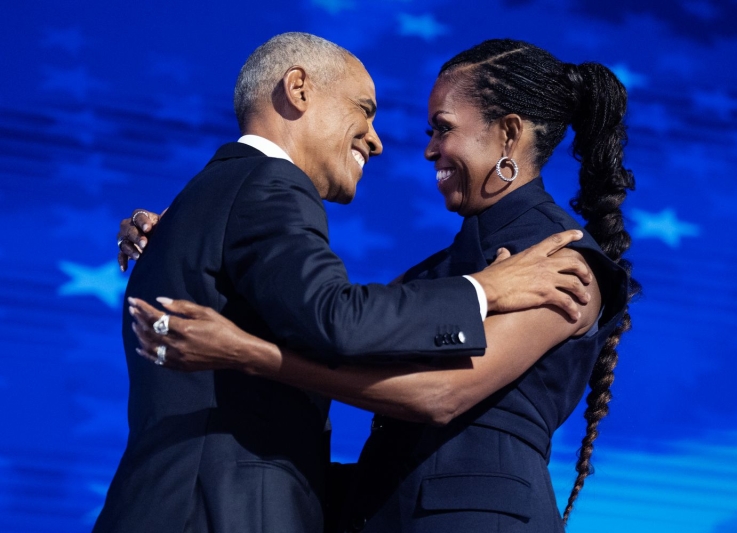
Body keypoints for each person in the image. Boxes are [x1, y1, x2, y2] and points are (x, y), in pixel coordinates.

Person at [125, 38, 637, 532]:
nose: (428, 150)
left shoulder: (560, 262)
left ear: (508, 134)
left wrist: (249, 354)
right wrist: (194, 234)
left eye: (442, 129)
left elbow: (440, 396)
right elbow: (335, 327)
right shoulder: (437, 274)